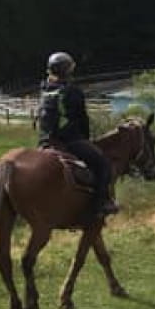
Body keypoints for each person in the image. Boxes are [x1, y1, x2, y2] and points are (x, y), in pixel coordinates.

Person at [35, 51, 117, 223]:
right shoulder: (73, 91)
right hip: (69, 142)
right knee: (103, 164)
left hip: (45, 143)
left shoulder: (44, 90)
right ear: (68, 71)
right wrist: (86, 140)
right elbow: (82, 119)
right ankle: (100, 205)